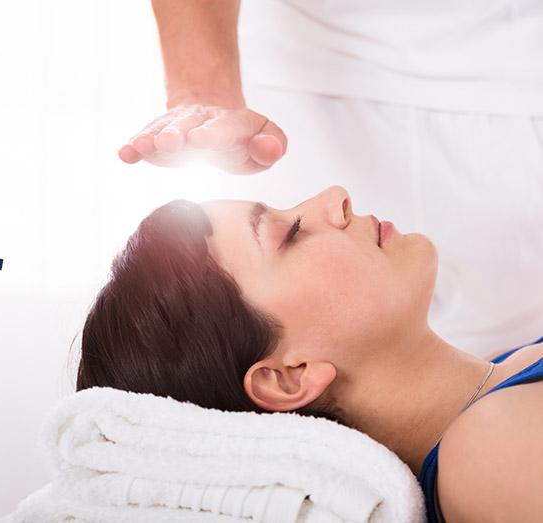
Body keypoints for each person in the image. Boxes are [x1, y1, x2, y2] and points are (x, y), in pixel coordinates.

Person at [77, 186, 542, 523]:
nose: (335, 198)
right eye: (291, 233)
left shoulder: (506, 370)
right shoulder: (486, 458)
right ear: (287, 377)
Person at [118, 1, 543, 357]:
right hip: (298, 95)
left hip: (514, 75)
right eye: (291, 230)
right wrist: (204, 94)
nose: (339, 198)